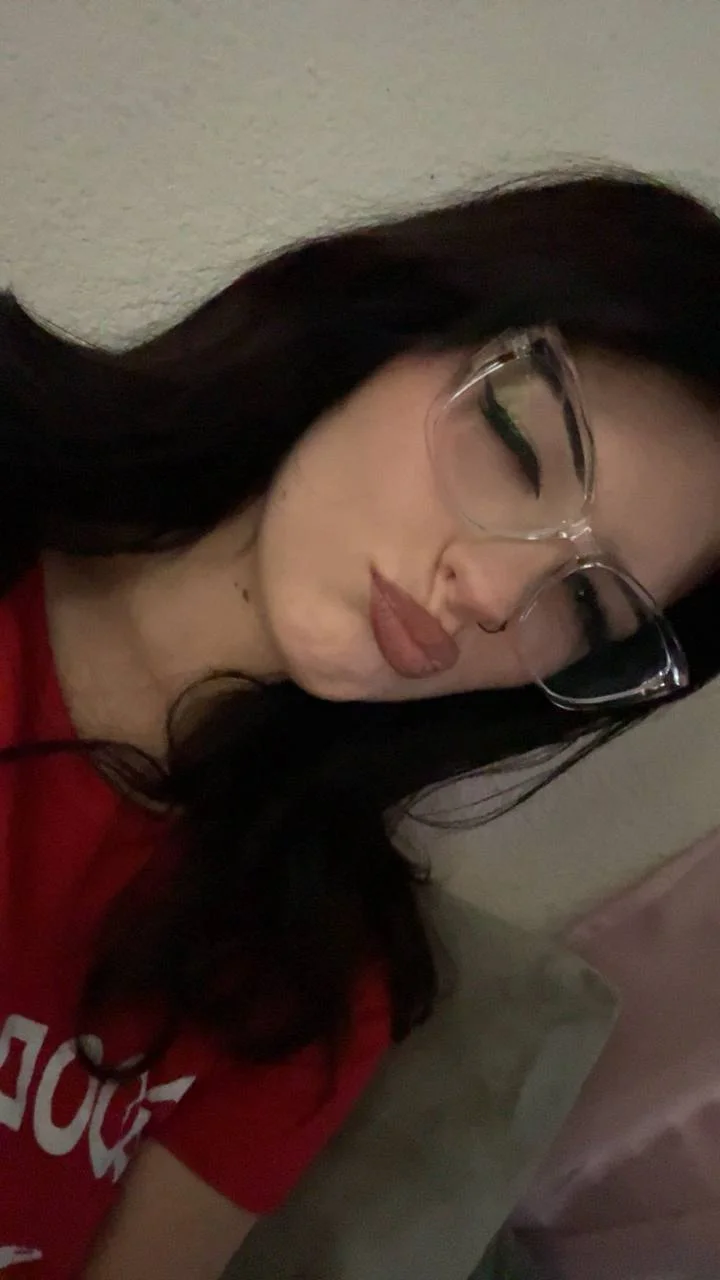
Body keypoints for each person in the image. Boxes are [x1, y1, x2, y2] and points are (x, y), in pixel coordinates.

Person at [1, 165, 720, 1280]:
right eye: (522, 453)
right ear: (399, 319)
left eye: (586, 609)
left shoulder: (310, 968)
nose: (495, 596)